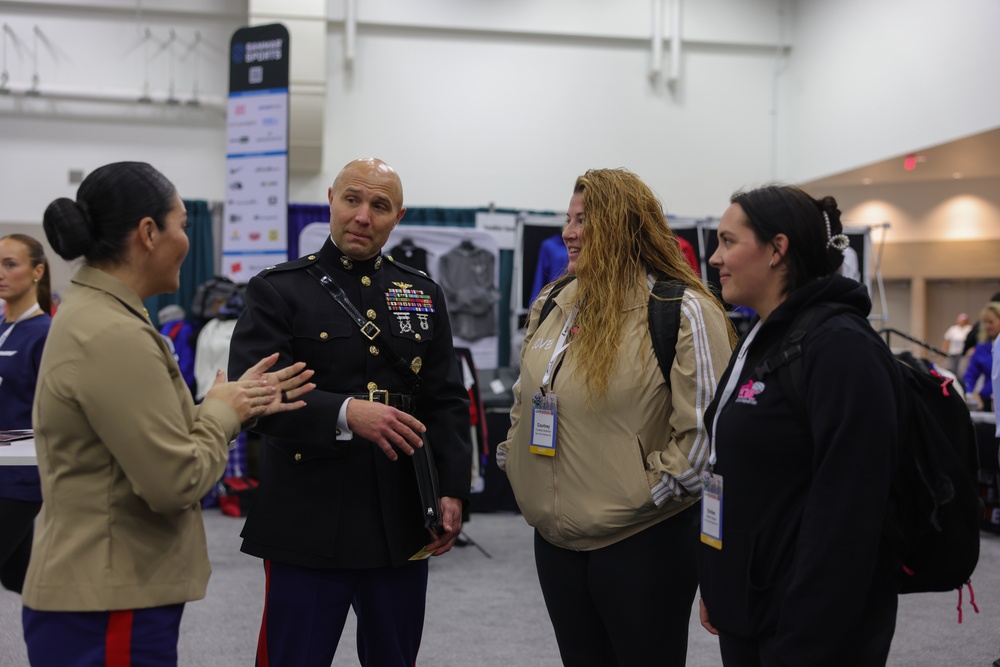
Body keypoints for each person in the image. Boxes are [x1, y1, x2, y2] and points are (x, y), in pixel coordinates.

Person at [22, 161, 315, 666]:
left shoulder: (102, 314)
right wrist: (221, 416)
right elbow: (176, 480)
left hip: (109, 590)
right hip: (111, 600)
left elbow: (142, 436)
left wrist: (235, 403)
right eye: (182, 224)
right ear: (148, 233)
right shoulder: (111, 333)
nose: (185, 239)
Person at [228, 157, 472, 667]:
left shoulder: (422, 293)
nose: (363, 216)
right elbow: (254, 399)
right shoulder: (278, 290)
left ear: (397, 217)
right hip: (308, 515)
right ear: (332, 202)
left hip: (401, 514)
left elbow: (446, 399)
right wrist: (344, 412)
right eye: (352, 200)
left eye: (379, 206)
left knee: (394, 656)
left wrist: (450, 489)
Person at [497, 168, 735, 666]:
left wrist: (639, 492)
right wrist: (514, 462)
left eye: (584, 220)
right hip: (555, 540)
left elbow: (704, 440)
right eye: (568, 219)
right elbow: (526, 399)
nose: (568, 232)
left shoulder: (682, 309)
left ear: (624, 226)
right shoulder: (552, 302)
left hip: (641, 543)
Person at [698, 185, 903, 666]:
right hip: (753, 608)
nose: (714, 258)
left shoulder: (841, 349)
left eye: (729, 242)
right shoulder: (767, 339)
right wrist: (721, 579)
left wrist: (803, 641)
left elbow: (848, 519)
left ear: (777, 250)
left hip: (806, 633)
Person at [0, 234, 52, 594]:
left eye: (9, 264)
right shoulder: (2, 329)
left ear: (37, 272)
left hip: (20, 478)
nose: (0, 273)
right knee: (21, 578)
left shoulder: (46, 334)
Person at [963, 302, 1000, 412]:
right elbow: (971, 373)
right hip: (987, 400)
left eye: (991, 322)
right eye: (985, 322)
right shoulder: (982, 346)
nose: (988, 326)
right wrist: (970, 393)